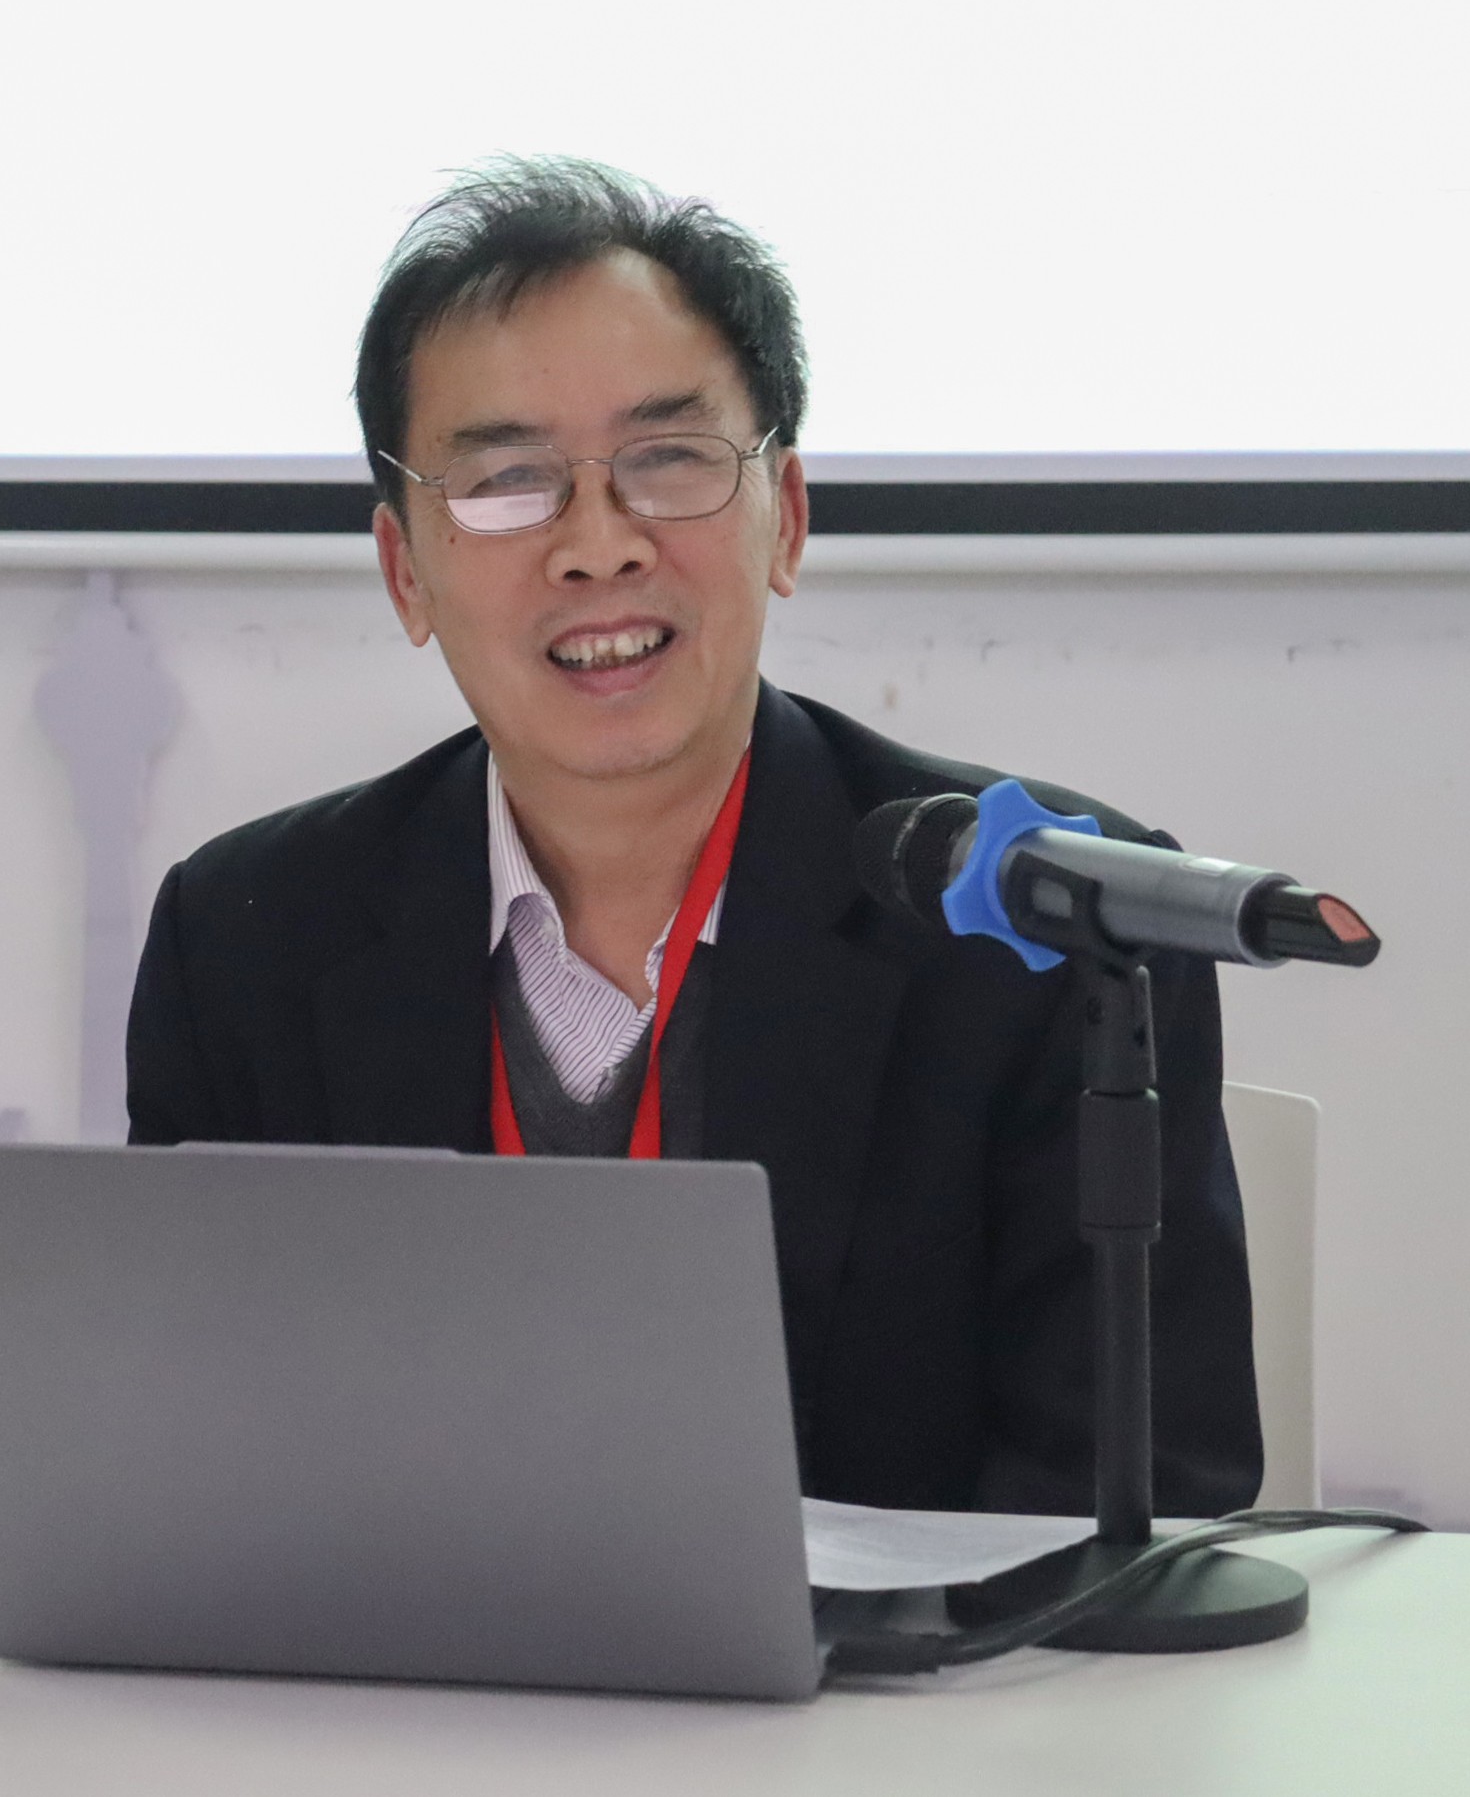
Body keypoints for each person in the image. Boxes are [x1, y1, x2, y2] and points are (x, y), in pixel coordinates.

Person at [124, 156, 1262, 1517]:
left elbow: (1141, 1501)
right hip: (397, 1655)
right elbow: (191, 1462)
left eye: (667, 461)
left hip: (902, 1665)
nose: (597, 545)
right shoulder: (244, 941)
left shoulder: (1044, 923)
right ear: (404, 573)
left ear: (787, 518)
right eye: (507, 480)